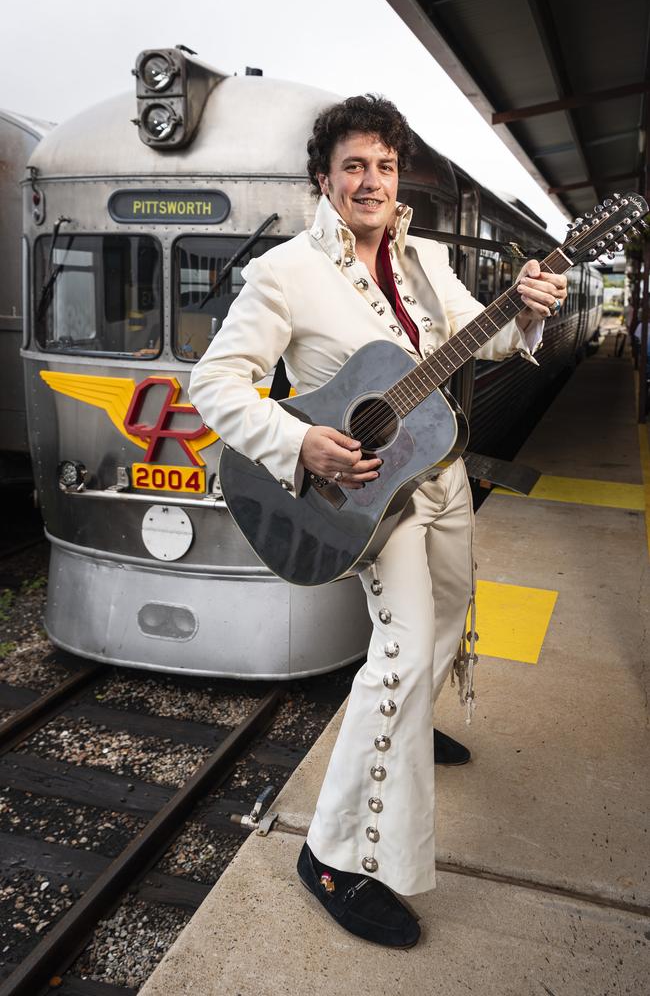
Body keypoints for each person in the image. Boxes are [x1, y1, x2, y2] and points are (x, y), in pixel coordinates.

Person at [189, 95, 567, 948]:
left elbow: (488, 340)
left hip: (437, 479)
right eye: (354, 165)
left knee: (447, 620)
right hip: (361, 496)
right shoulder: (285, 271)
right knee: (397, 659)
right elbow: (214, 383)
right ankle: (331, 856)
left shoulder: (427, 257)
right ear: (324, 179)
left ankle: (406, 731)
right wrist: (300, 441)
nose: (371, 181)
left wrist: (529, 305)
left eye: (385, 166)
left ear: (400, 181)